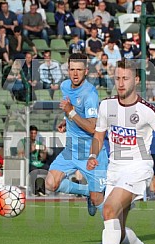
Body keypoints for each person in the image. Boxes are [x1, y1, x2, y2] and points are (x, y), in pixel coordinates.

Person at [86, 59, 155, 244]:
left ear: (136, 80)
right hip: (114, 170)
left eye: (125, 78)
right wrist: (93, 155)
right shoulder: (106, 106)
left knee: (108, 210)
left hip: (138, 168)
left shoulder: (147, 111)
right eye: (117, 78)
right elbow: (99, 135)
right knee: (117, 226)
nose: (120, 82)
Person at [45, 53, 109, 217]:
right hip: (71, 151)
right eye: (72, 69)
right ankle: (86, 191)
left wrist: (70, 113)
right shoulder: (65, 86)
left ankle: (116, 235)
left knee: (98, 200)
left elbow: (92, 128)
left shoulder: (90, 95)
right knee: (50, 183)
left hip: (91, 153)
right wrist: (66, 120)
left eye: (79, 70)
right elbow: (73, 112)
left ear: (86, 71)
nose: (75, 73)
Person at [17, 125, 48, 196]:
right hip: (28, 163)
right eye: (31, 133)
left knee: (48, 169)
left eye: (35, 133)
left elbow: (42, 158)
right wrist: (30, 150)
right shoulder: (22, 142)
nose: (33, 135)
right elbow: (20, 155)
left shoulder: (38, 143)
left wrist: (44, 152)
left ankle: (42, 190)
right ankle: (35, 190)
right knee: (34, 170)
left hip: (38, 163)